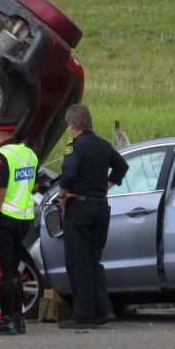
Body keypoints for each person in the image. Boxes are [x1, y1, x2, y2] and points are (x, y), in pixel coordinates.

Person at [56, 103, 128, 330]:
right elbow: (122, 167)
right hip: (100, 208)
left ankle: (83, 315)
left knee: (78, 262)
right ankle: (103, 309)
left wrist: (62, 195)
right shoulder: (103, 145)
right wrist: (105, 186)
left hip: (80, 209)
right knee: (93, 261)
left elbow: (68, 174)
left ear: (71, 126)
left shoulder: (74, 147)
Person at [0, 115, 38, 336]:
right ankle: (18, 319)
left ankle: (7, 320)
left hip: (3, 220)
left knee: (4, 271)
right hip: (24, 218)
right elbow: (32, 185)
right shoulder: (28, 153)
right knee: (13, 268)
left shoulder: (0, 158)